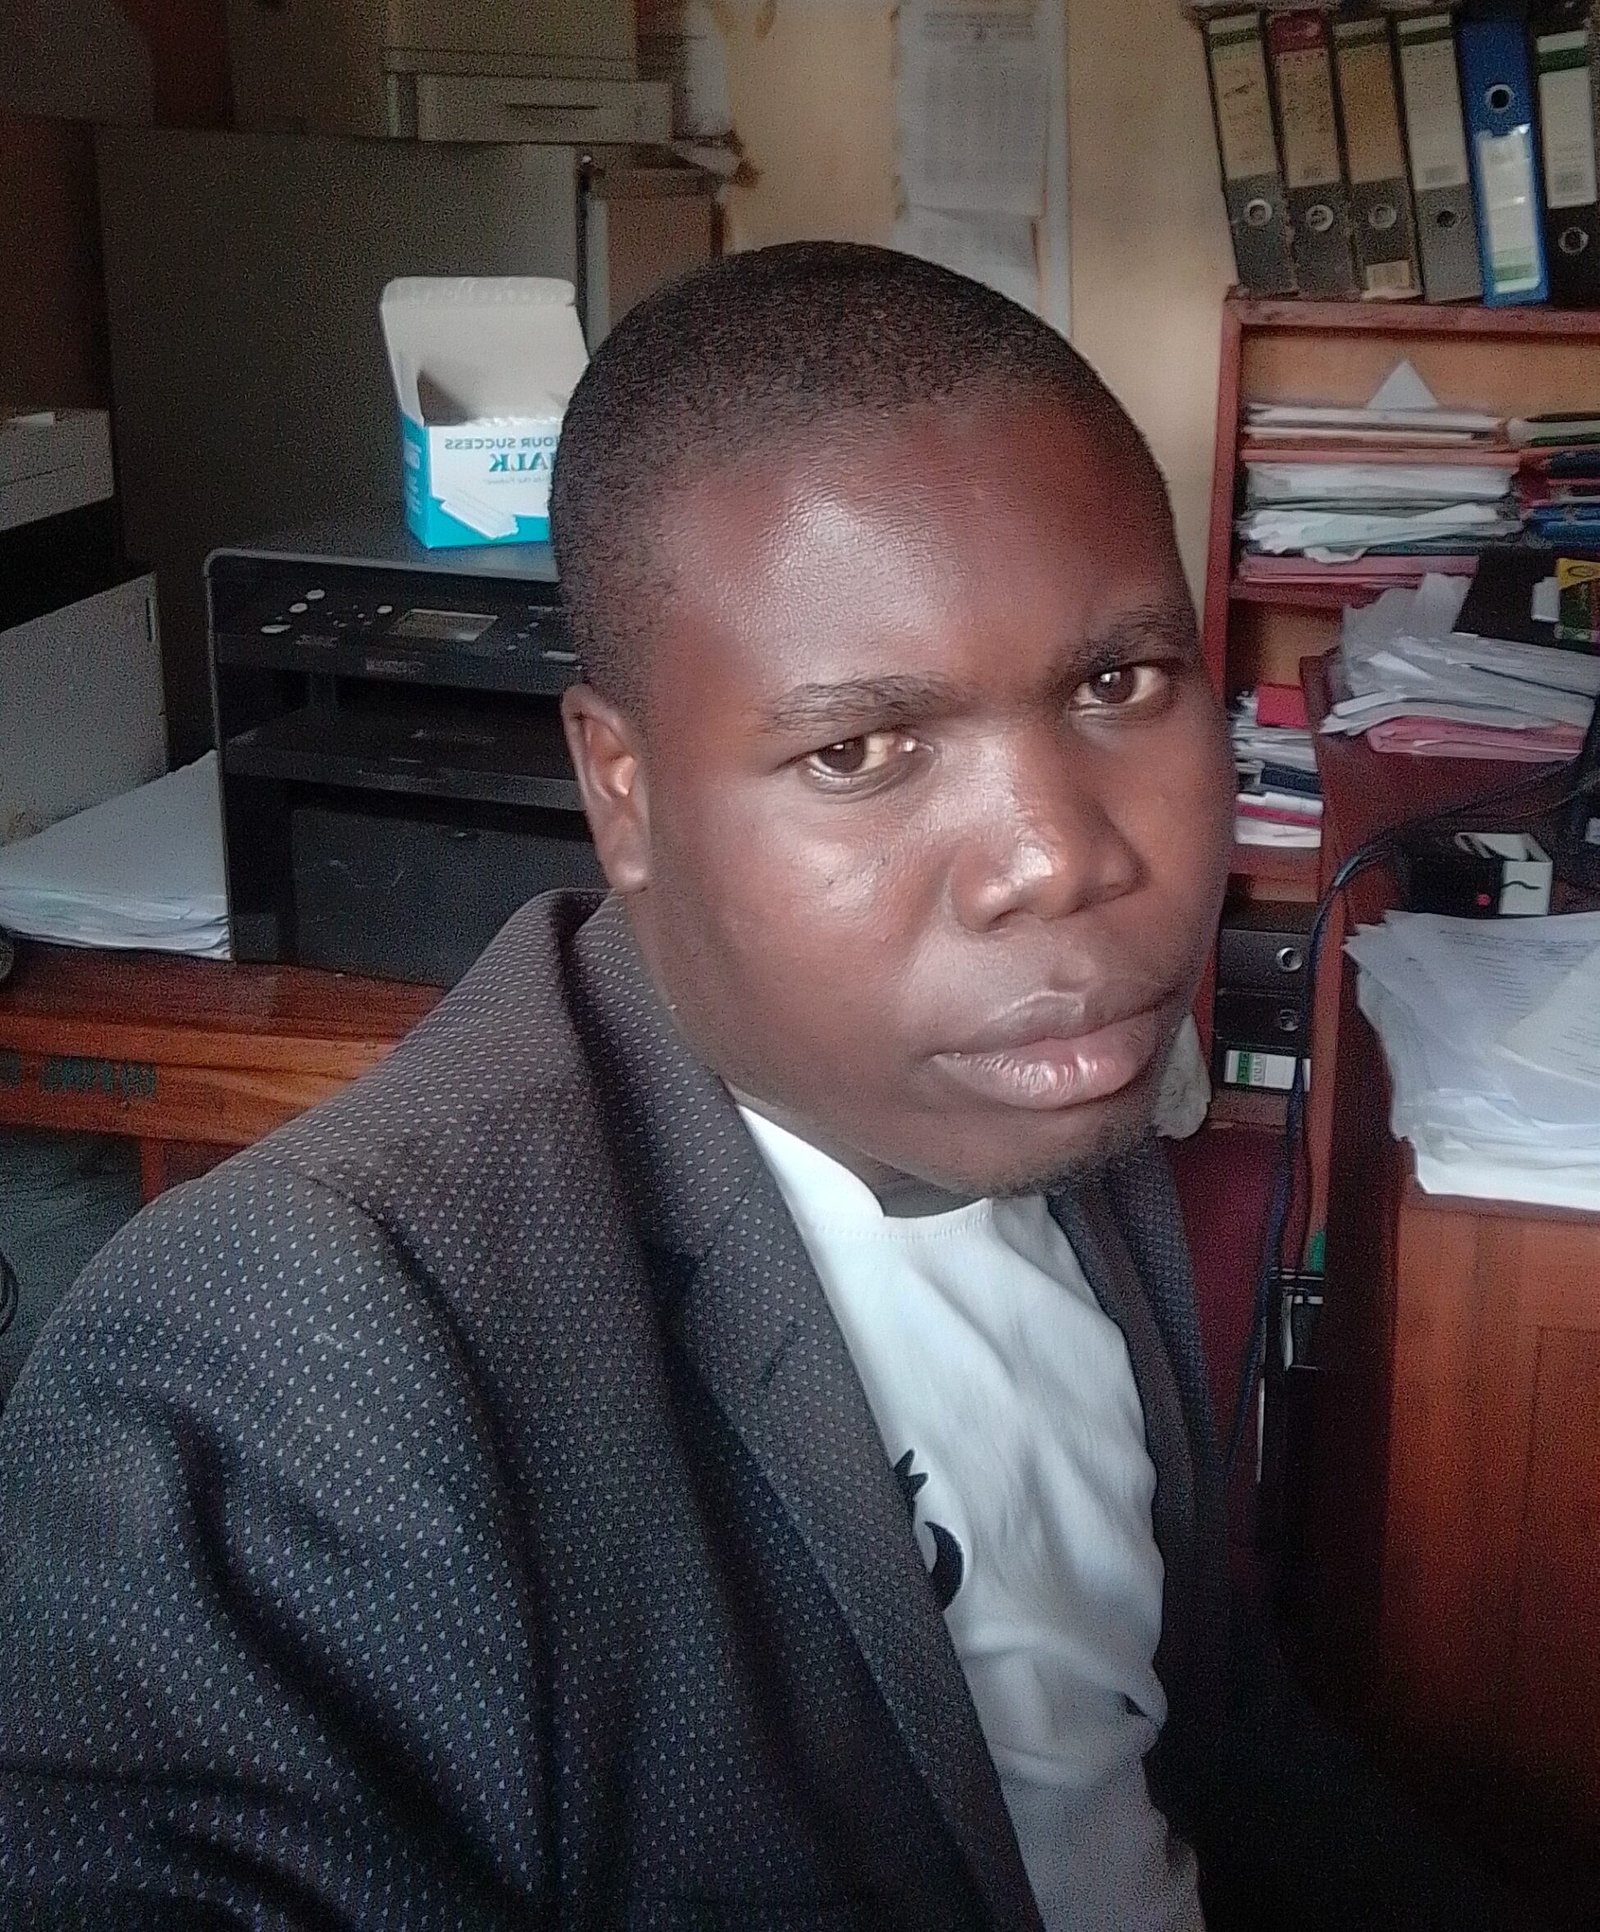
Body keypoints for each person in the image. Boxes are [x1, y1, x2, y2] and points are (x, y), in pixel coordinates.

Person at [0, 244, 1531, 1930]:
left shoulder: (1050, 1112)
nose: (1062, 861)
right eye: (857, 750)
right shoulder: (311, 1344)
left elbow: (1201, 1749)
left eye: (1118, 684)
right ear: (625, 791)